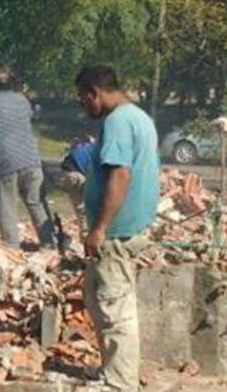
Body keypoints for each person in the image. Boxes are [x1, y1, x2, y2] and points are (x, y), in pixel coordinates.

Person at [76, 66, 159, 391]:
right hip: (126, 228)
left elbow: (120, 175)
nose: (83, 105)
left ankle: (119, 383)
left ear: (95, 91)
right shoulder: (139, 118)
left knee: (114, 307)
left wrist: (99, 229)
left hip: (116, 233)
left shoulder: (118, 122)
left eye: (83, 98)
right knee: (101, 300)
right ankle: (114, 372)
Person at [0, 70, 54, 249]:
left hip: (6, 162)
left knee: (8, 205)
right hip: (31, 159)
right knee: (36, 203)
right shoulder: (23, 102)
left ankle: (11, 245)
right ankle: (49, 243)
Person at [60, 135, 96, 228]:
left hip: (68, 173)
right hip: (79, 174)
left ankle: (85, 233)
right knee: (86, 207)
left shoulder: (85, 149)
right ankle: (89, 234)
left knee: (80, 208)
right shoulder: (97, 152)